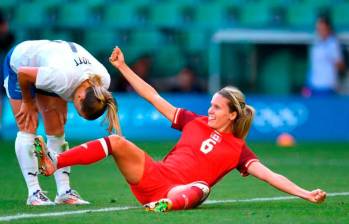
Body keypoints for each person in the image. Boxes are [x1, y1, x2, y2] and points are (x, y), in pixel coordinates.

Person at [34, 47, 326, 212]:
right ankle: (54, 162)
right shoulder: (193, 120)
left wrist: (305, 193)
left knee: (202, 187)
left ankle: (165, 205)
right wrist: (122, 67)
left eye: (216, 107)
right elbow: (153, 96)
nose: (209, 110)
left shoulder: (240, 151)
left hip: (180, 192)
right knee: (116, 142)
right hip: (153, 177)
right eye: (210, 105)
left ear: (233, 114)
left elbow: (271, 176)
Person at [2, 40, 120, 206]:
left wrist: (59, 101)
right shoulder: (61, 78)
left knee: (57, 129)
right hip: (20, 65)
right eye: (78, 109)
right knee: (28, 125)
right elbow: (24, 73)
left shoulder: (102, 84)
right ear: (79, 97)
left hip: (53, 68)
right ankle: (34, 193)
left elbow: (67, 84)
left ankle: (64, 192)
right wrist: (27, 102)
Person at [305, 15, 345, 96]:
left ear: (328, 28)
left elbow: (340, 66)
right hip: (314, 86)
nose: (320, 31)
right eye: (318, 28)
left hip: (328, 86)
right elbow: (313, 66)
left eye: (323, 28)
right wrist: (307, 85)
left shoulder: (333, 44)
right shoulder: (316, 44)